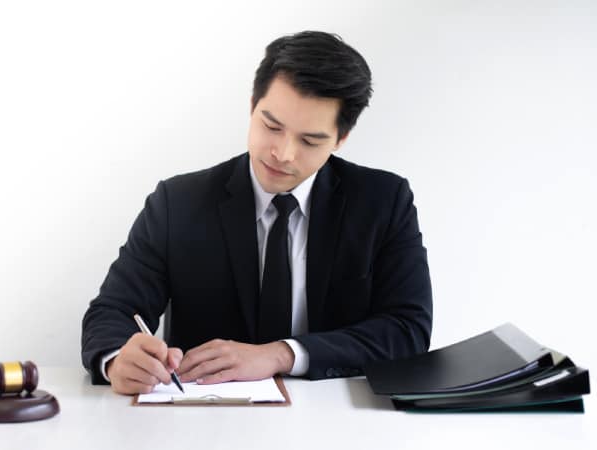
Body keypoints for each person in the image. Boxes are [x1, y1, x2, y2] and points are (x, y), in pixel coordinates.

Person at [81, 30, 432, 395]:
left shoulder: (384, 202)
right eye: (271, 126)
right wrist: (118, 358)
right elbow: (112, 311)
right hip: (203, 419)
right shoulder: (178, 203)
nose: (282, 153)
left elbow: (408, 329)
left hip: (339, 420)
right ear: (252, 106)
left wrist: (281, 354)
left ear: (340, 138)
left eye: (309, 141)